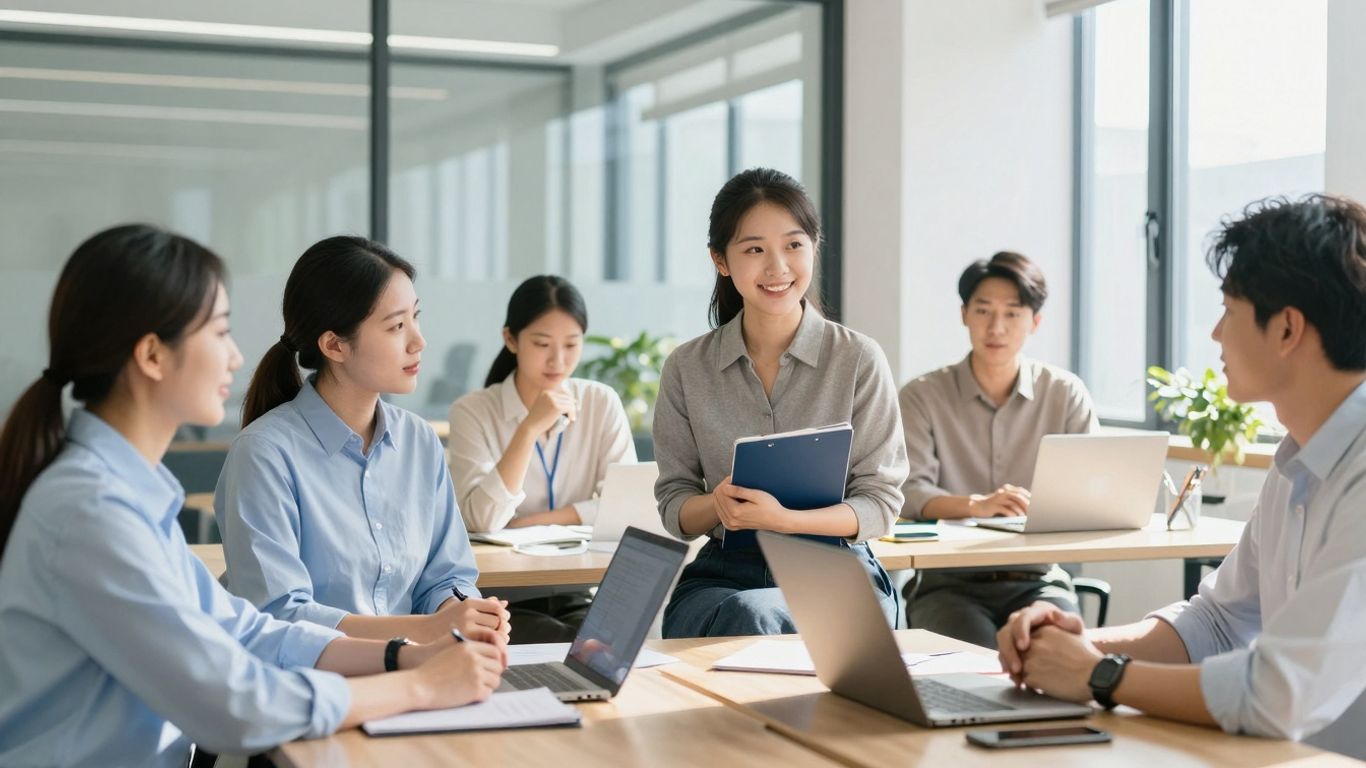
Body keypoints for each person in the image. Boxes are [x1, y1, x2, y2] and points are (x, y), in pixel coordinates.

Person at [0, 225, 505, 767]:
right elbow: (233, 704)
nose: (237, 357)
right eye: (219, 333)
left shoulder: (127, 496)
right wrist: (420, 685)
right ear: (152, 355)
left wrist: (402, 657)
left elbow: (244, 630)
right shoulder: (90, 511)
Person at [997, 195, 1366, 760]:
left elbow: (1279, 695)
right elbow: (1219, 623)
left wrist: (1100, 676)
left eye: (1229, 310)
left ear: (1288, 328)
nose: (1216, 334)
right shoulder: (1298, 460)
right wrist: (1072, 646)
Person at [217, 236, 510, 645]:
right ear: (334, 344)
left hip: (418, 674)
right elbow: (280, 614)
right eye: (396, 326)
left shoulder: (418, 441)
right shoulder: (264, 454)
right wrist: (425, 630)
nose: (418, 341)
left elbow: (446, 577)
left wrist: (462, 614)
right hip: (312, 688)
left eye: (416, 317)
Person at [653, 167, 908, 638]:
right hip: (723, 572)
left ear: (814, 247)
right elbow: (675, 505)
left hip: (835, 568)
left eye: (793, 245)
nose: (778, 268)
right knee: (740, 612)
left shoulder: (857, 359)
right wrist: (718, 504)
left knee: (752, 616)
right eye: (754, 249)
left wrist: (784, 520)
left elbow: (880, 503)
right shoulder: (687, 368)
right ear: (721, 261)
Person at [898, 251, 1097, 648]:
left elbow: (1091, 492)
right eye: (984, 310)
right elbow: (908, 492)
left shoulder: (1065, 394)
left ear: (1035, 322)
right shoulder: (922, 396)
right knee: (980, 666)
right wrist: (976, 505)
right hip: (947, 584)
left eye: (1012, 313)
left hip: (1039, 582)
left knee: (1062, 659)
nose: (996, 327)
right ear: (964, 314)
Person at [447, 275, 636, 643]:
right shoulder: (472, 411)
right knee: (555, 639)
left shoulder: (600, 402)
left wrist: (532, 522)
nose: (558, 360)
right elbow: (480, 518)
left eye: (571, 344)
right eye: (542, 344)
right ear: (511, 339)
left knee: (609, 643)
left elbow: (624, 507)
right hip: (502, 598)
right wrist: (528, 429)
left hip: (576, 588)